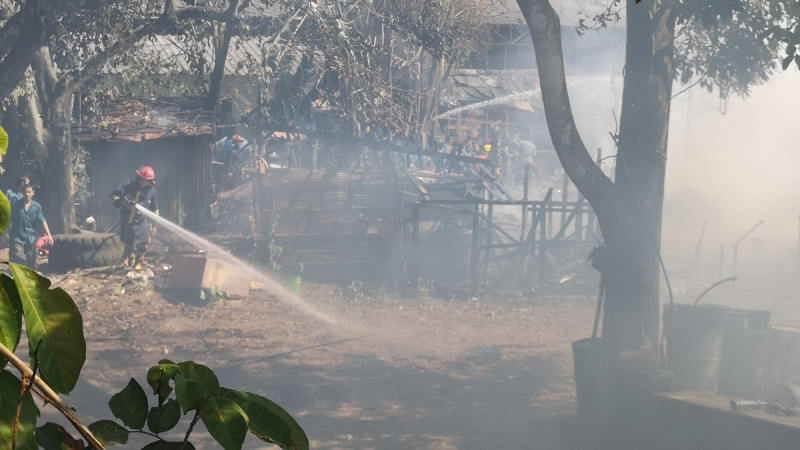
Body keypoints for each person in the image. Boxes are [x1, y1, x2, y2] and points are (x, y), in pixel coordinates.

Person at [111, 166, 159, 270]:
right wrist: (123, 202)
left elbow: (155, 210)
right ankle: (130, 258)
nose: (143, 182)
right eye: (142, 179)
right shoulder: (130, 186)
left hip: (142, 222)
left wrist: (154, 225)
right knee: (129, 242)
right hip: (127, 221)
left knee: (144, 242)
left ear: (150, 181)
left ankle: (139, 262)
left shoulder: (152, 192)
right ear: (138, 178)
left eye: (146, 180)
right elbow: (115, 194)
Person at [9, 184, 53, 270]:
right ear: (22, 192)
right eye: (25, 192)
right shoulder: (15, 205)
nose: (27, 194)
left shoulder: (36, 207)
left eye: (29, 192)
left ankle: (31, 278)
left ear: (33, 193)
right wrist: (6, 232)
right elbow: (9, 219)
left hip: (31, 237)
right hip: (17, 237)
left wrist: (49, 234)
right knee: (20, 257)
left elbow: (42, 220)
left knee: (32, 262)